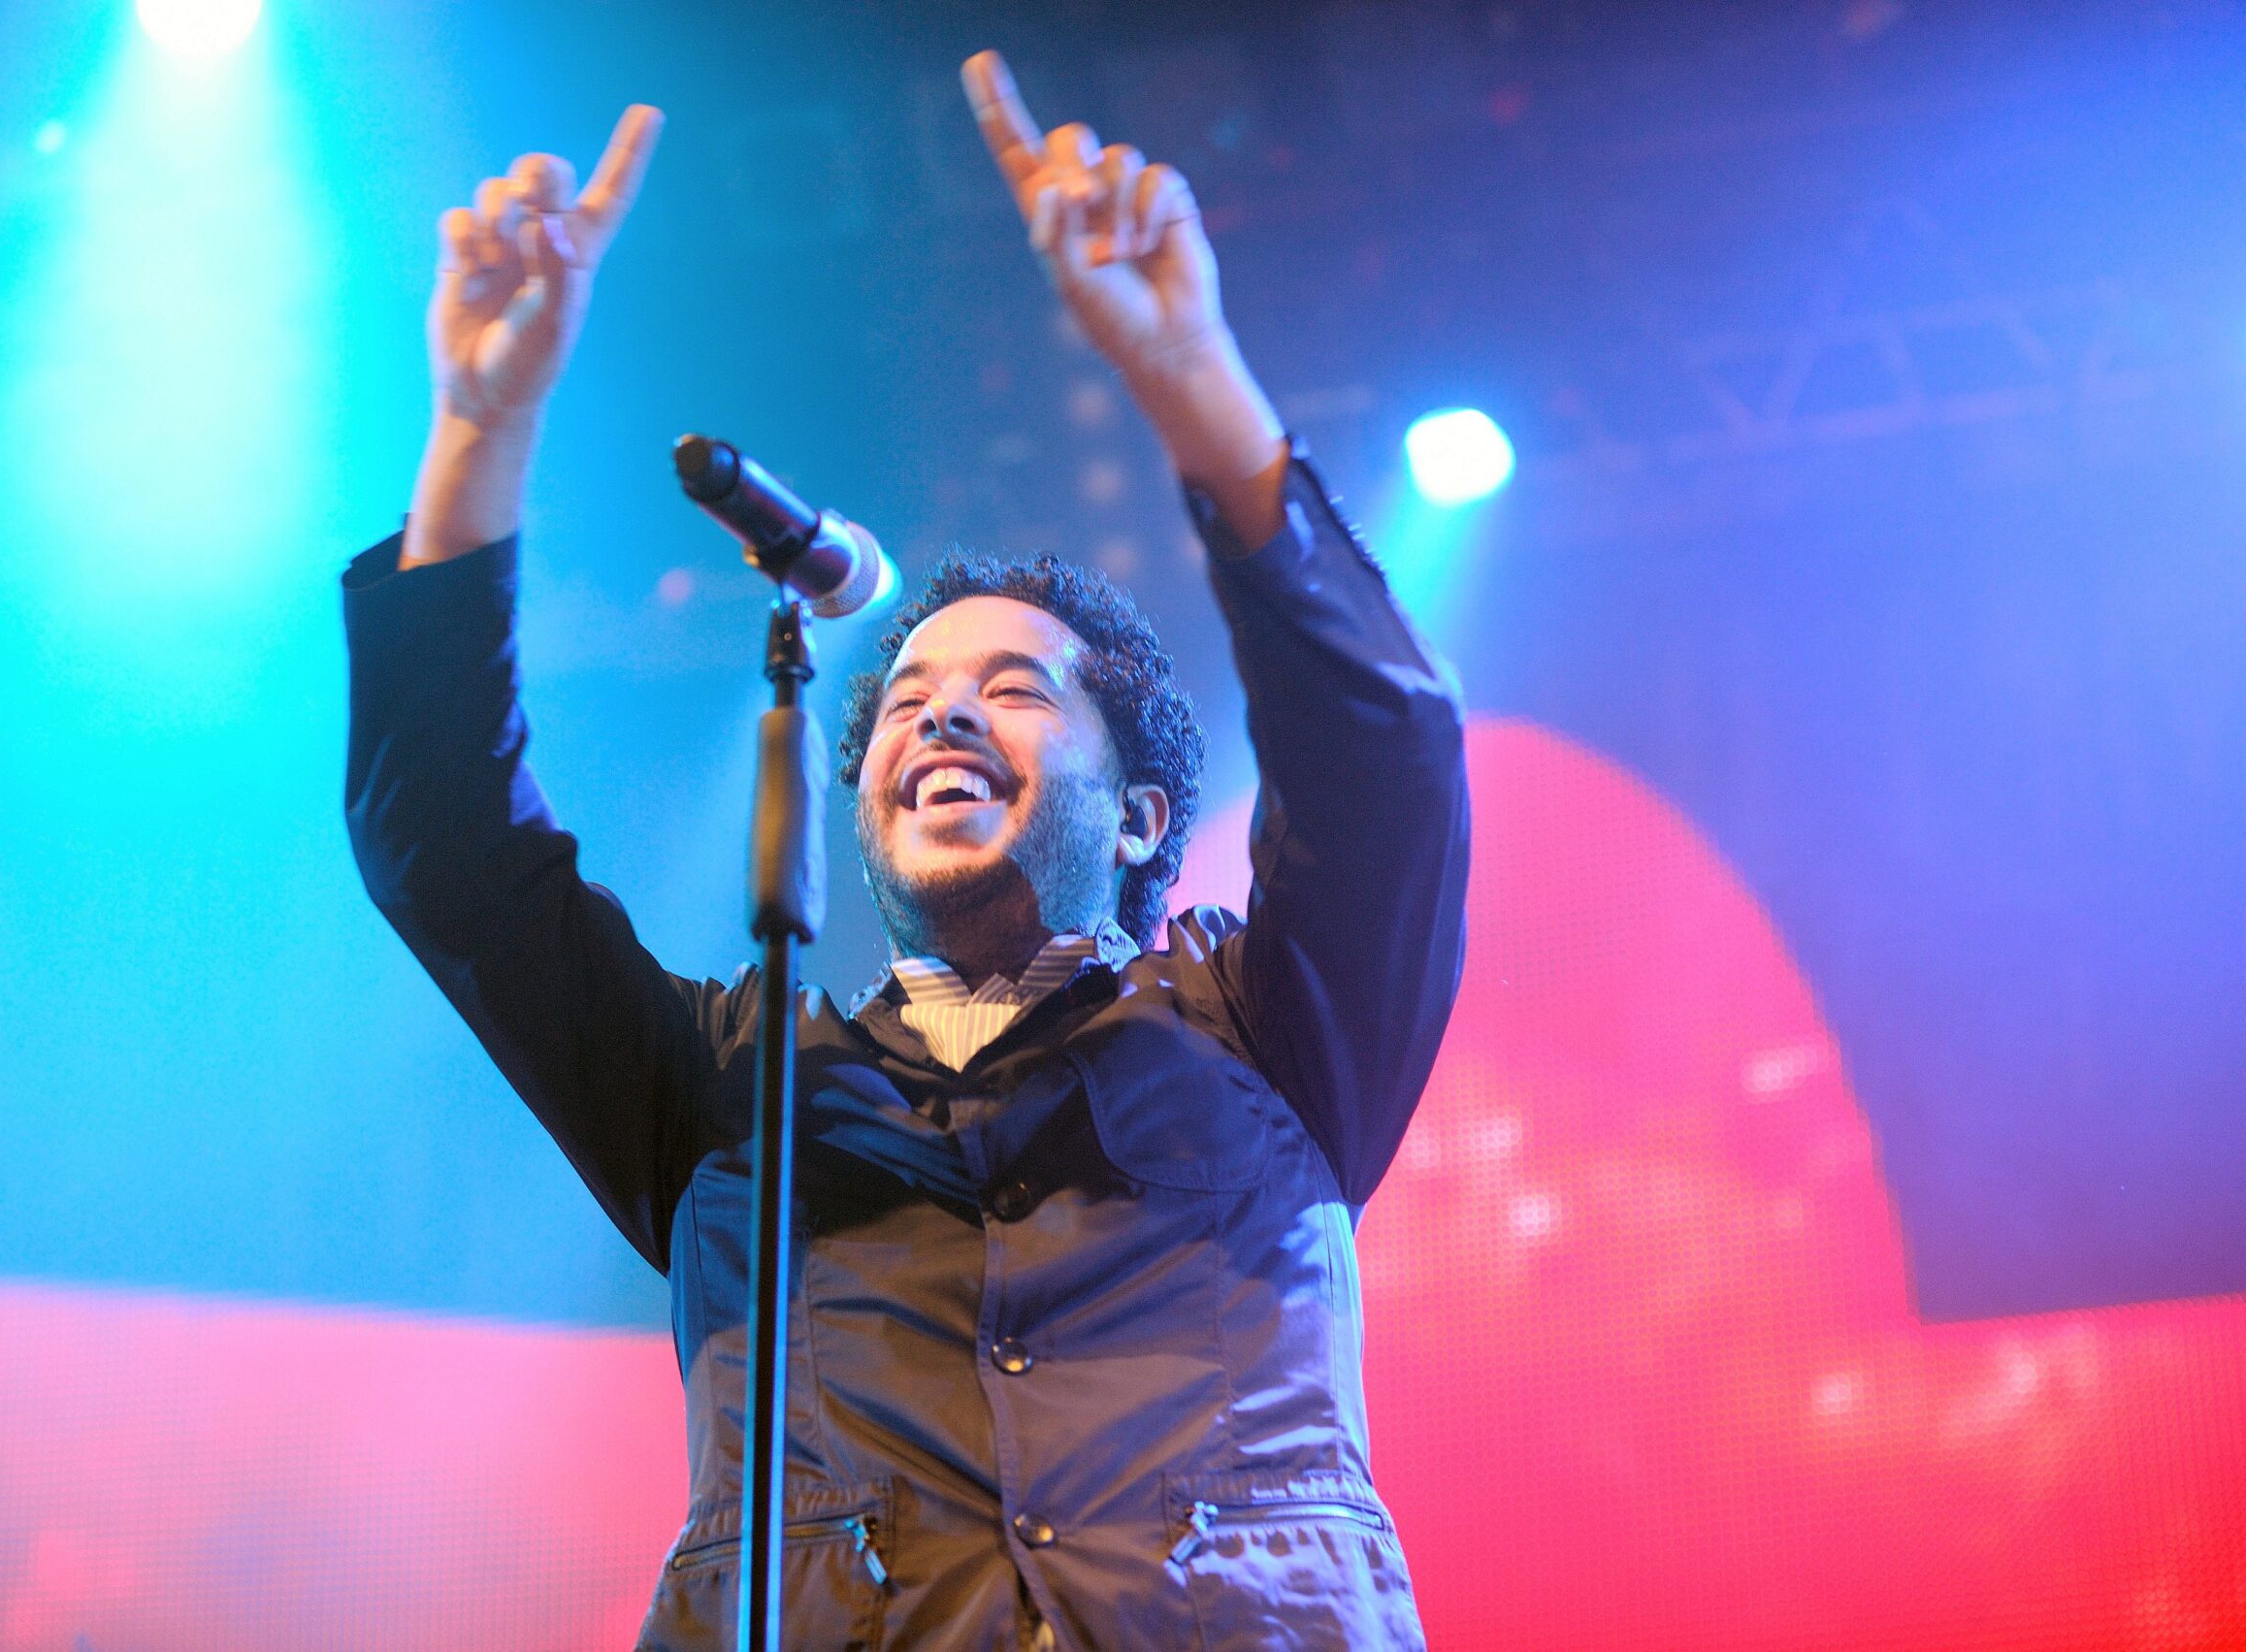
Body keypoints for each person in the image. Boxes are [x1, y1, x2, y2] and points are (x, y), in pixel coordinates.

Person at [344, 49, 1469, 1652]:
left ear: (1143, 813)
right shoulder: (725, 1091)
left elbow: (1388, 761)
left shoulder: (1270, 1033)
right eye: (912, 702)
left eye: (1012, 691)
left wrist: (1193, 378)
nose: (943, 721)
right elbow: (443, 847)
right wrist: (477, 433)